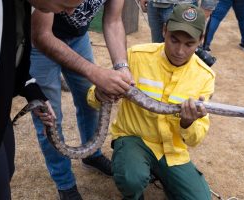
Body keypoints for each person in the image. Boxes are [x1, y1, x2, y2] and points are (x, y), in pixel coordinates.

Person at [87, 4, 215, 199]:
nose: (179, 50)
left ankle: (164, 178)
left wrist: (187, 122)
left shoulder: (205, 77)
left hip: (171, 151)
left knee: (200, 198)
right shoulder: (135, 56)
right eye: (174, 39)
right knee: (132, 178)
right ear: (164, 30)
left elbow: (195, 139)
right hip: (134, 138)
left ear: (201, 41)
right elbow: (92, 98)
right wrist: (100, 93)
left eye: (189, 44)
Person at [29, 0, 132, 199]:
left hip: (78, 38)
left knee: (91, 100)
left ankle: (91, 155)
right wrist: (93, 71)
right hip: (41, 42)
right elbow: (42, 35)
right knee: (50, 117)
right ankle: (65, 183)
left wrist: (122, 67)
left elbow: (113, 20)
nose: (72, 10)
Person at [0, 0, 86, 199]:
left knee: (8, 168)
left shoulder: (21, 6)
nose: (71, 13)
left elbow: (9, 63)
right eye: (67, 3)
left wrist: (33, 91)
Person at [139, 0, 218, 43]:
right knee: (157, 48)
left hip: (183, 7)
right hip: (153, 4)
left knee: (180, 52)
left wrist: (207, 7)